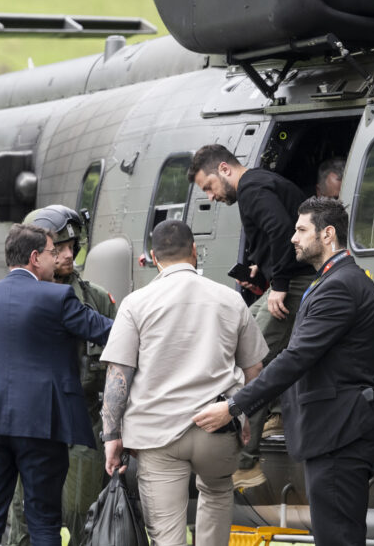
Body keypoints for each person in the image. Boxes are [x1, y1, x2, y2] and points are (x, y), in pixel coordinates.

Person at [193, 197, 374, 546]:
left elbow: (296, 357)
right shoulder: (331, 281)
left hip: (339, 431)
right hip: (334, 430)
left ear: (327, 234)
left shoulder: (340, 287)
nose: (293, 238)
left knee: (338, 538)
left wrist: (234, 406)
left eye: (301, 230)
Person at [100, 219, 268, 546]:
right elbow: (255, 369)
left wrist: (112, 435)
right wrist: (244, 414)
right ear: (194, 251)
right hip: (218, 427)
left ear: (153, 256)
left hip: (156, 434)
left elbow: (118, 376)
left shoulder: (136, 303)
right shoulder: (230, 300)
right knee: (218, 493)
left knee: (166, 535)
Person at [0, 223, 114, 546]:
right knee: (44, 525)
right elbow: (108, 331)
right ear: (35, 258)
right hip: (42, 425)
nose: (59, 260)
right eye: (53, 253)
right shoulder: (58, 297)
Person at [188, 144, 315, 487]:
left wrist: (281, 283)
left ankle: (246, 461)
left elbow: (281, 229)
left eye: (209, 187)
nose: (211, 197)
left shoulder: (252, 190)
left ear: (225, 169)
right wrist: (262, 270)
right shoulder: (261, 185)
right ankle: (272, 415)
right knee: (251, 345)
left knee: (250, 360)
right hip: (291, 278)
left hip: (298, 281)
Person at [3, 205, 116, 546]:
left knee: (86, 516)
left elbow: (119, 363)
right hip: (28, 426)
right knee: (23, 520)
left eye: (72, 247)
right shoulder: (9, 298)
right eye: (60, 247)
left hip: (84, 425)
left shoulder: (95, 300)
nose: (68, 254)